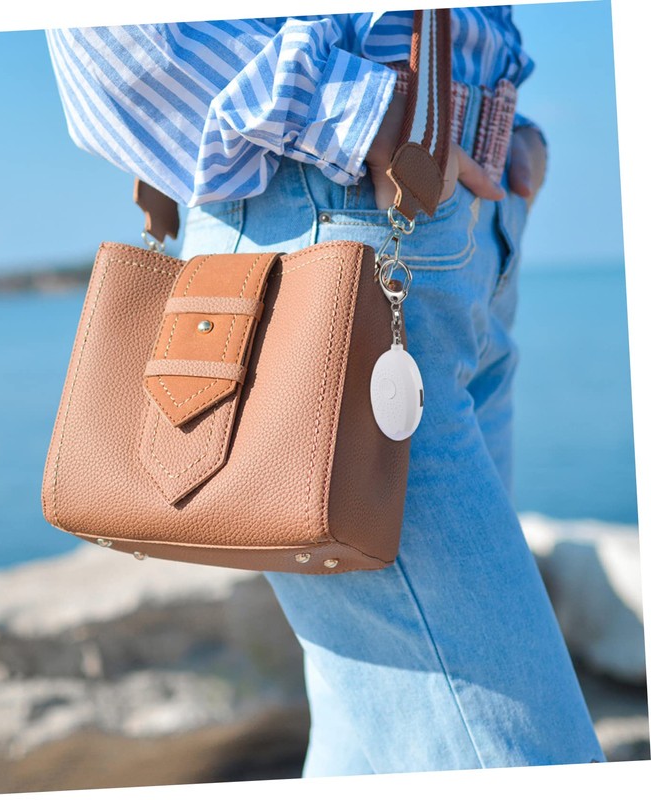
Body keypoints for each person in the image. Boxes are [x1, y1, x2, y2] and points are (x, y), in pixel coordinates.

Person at [45, 7, 606, 774]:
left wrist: (505, 130)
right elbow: (116, 36)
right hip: (338, 215)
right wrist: (369, 114)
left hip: (460, 227)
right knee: (517, 753)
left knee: (374, 745)